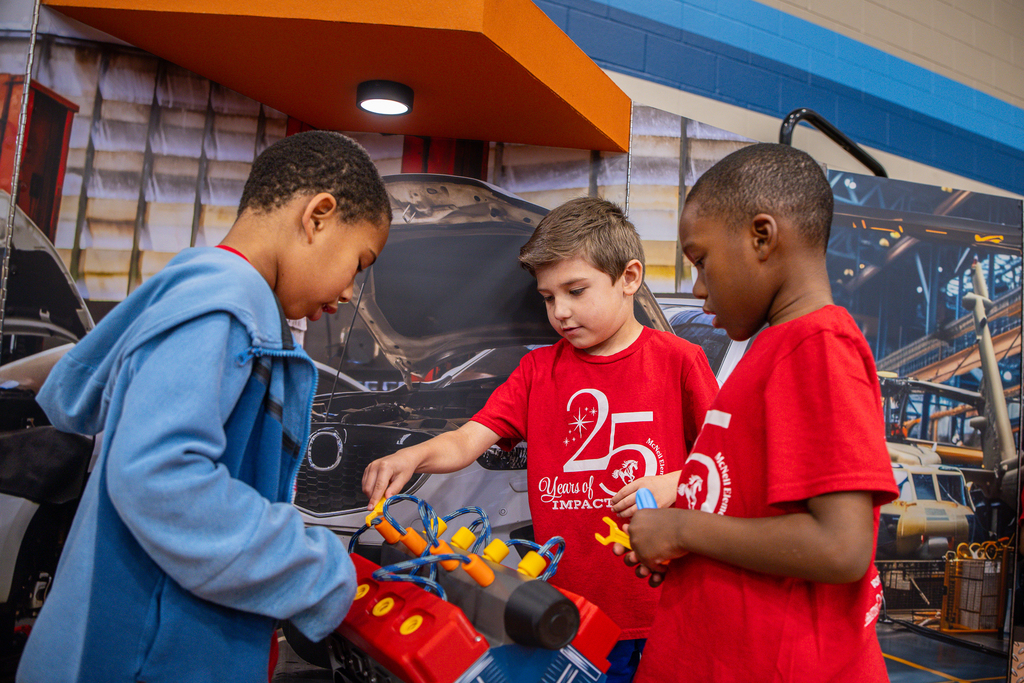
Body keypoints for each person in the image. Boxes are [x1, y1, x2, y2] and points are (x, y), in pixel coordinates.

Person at [17, 130, 392, 683]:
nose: (346, 293)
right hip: (143, 659)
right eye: (359, 263)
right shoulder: (226, 306)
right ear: (318, 217)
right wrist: (321, 571)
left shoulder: (203, 294)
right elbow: (162, 478)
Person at [362, 197, 718, 683]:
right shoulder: (536, 372)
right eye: (548, 298)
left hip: (663, 606)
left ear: (629, 277)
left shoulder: (680, 361)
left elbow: (723, 464)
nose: (561, 312)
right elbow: (466, 441)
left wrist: (674, 482)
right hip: (567, 612)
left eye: (576, 290)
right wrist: (413, 455)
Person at [618, 143, 899, 682]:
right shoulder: (775, 349)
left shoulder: (818, 346)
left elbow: (841, 547)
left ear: (762, 237)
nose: (699, 289)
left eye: (702, 261)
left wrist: (681, 529)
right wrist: (680, 546)